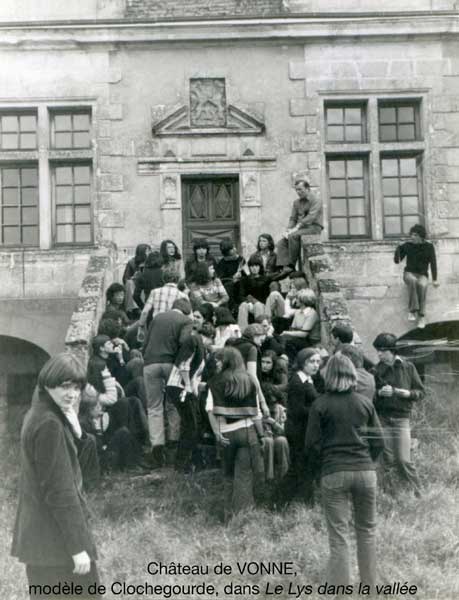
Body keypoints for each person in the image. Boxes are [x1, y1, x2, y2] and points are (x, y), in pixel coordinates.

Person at [11, 353, 100, 599]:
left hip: (45, 542)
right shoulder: (49, 422)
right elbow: (60, 489)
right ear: (48, 383)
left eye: (76, 387)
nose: (71, 394)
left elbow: (80, 471)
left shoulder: (43, 412)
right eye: (64, 386)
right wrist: (77, 547)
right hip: (56, 545)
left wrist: (78, 433)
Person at [305, 353, 385, 592]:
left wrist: (324, 467)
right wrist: (365, 462)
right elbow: (379, 442)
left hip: (333, 471)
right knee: (367, 531)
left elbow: (311, 445)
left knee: (339, 536)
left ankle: (341, 592)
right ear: (352, 375)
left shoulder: (320, 404)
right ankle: (370, 589)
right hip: (365, 471)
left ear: (328, 375)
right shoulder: (364, 403)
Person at [206, 347, 265, 520]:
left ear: (225, 362)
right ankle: (244, 516)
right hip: (247, 431)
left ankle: (228, 516)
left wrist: (217, 433)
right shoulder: (249, 380)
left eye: (219, 360)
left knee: (228, 475)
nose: (217, 363)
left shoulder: (214, 382)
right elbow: (256, 413)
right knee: (244, 475)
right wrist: (261, 435)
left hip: (225, 434)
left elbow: (210, 410)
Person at [142, 298, 193, 468]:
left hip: (150, 363)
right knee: (172, 405)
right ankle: (173, 444)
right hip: (171, 363)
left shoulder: (157, 317)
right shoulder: (186, 320)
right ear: (186, 310)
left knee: (154, 407)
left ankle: (157, 448)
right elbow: (184, 343)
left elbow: (146, 341)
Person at [372, 333, 425, 495]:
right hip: (383, 418)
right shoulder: (375, 370)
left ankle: (419, 492)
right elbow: (370, 396)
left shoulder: (408, 367)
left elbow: (421, 392)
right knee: (387, 459)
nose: (379, 354)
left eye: (382, 351)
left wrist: (407, 394)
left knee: (403, 459)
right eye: (378, 351)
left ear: (392, 351)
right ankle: (390, 494)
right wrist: (379, 393)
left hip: (402, 419)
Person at [166, 322, 215, 472]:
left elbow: (194, 375)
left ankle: (190, 462)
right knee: (191, 425)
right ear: (210, 337)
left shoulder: (201, 347)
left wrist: (194, 390)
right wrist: (187, 386)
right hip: (179, 386)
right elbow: (184, 366)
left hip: (184, 388)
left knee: (194, 424)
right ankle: (182, 464)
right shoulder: (195, 341)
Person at [278, 347, 322, 506]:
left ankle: (303, 501)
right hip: (298, 431)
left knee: (303, 467)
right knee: (297, 467)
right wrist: (318, 410)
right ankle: (278, 501)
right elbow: (297, 410)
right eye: (312, 362)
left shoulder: (308, 379)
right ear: (302, 362)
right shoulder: (298, 381)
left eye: (318, 362)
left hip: (303, 429)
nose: (316, 365)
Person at [394, 224, 439, 329]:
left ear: (421, 236)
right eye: (411, 235)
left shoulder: (429, 247)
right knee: (413, 280)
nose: (412, 237)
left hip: (422, 275)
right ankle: (412, 311)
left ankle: (422, 317)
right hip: (409, 273)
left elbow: (433, 263)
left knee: (422, 285)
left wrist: (435, 279)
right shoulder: (407, 245)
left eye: (414, 235)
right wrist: (398, 248)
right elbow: (397, 261)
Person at [276, 175, 323, 272]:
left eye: (300, 189)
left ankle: (291, 264)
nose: (298, 192)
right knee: (281, 242)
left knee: (293, 236)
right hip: (300, 229)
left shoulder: (316, 200)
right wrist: (288, 230)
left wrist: (296, 228)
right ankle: (282, 266)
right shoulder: (296, 203)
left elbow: (311, 217)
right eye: (296, 190)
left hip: (313, 227)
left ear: (307, 188)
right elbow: (293, 218)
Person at [280, 288, 321, 364]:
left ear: (303, 301)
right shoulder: (298, 312)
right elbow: (293, 329)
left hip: (311, 342)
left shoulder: (312, 313)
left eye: (297, 298)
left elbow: (304, 334)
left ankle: (292, 365)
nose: (296, 300)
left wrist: (287, 333)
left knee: (290, 343)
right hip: (300, 340)